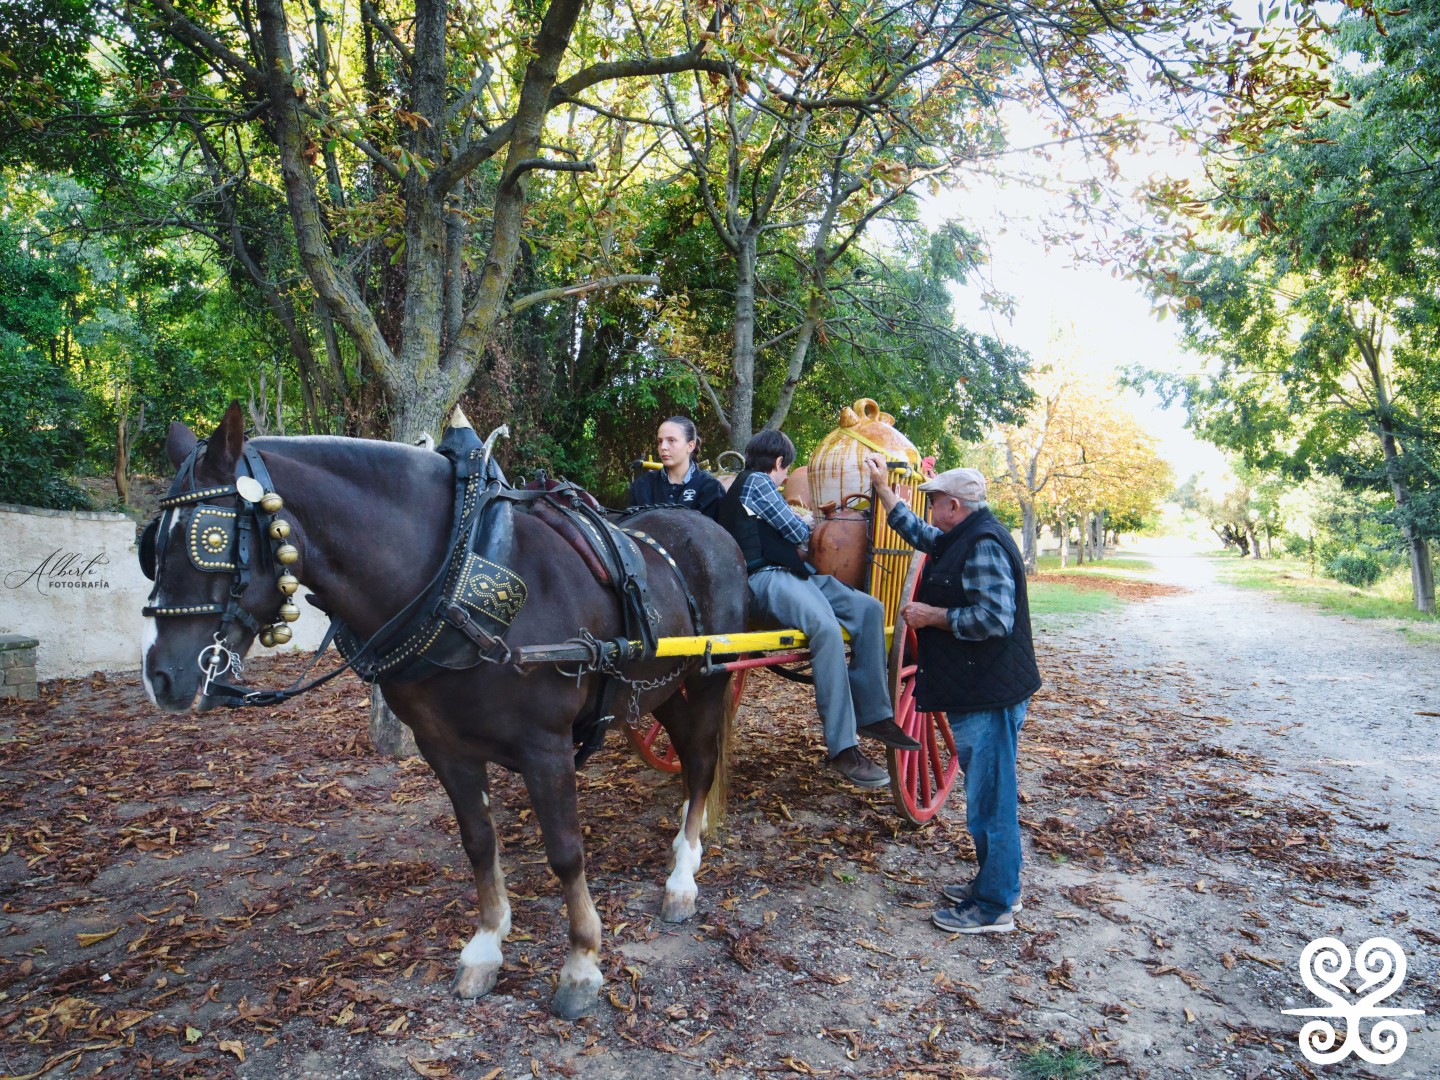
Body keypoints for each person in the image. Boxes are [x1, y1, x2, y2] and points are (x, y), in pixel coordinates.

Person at [864, 454, 1041, 935]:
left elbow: (994, 619)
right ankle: (997, 885)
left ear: (955, 506)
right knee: (986, 796)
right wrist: (884, 492)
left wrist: (932, 616)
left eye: (935, 501)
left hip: (990, 695)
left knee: (991, 801)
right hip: (980, 689)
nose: (931, 510)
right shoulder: (963, 535)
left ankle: (995, 906)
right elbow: (922, 535)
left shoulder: (983, 545)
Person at [719, 430, 920, 789]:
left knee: (869, 609)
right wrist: (808, 522)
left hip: (793, 575)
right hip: (763, 578)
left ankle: (873, 714)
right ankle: (843, 747)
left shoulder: (753, 485)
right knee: (825, 629)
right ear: (779, 463)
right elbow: (798, 532)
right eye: (786, 470)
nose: (785, 478)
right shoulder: (758, 482)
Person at [628, 416, 724, 520]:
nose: (663, 447)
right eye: (660, 441)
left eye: (671, 440)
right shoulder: (642, 486)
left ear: (690, 446)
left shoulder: (711, 489)